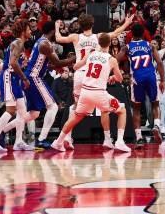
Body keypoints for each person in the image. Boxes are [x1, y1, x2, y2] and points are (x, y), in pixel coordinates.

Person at [55, 14, 133, 146]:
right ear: (92, 24)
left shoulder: (76, 37)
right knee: (104, 108)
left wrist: (57, 26)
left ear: (80, 25)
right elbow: (115, 33)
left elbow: (58, 39)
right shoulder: (99, 37)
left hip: (80, 73)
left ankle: (67, 137)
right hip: (94, 73)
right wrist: (126, 23)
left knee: (76, 107)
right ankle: (108, 139)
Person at [20, 22, 75, 150]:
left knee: (34, 113)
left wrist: (58, 66)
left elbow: (45, 63)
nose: (58, 34)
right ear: (52, 31)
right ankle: (41, 140)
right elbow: (58, 62)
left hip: (32, 77)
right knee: (53, 107)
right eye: (56, 32)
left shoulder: (41, 41)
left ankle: (1, 130)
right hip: (34, 78)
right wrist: (76, 58)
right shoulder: (45, 44)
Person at [0, 20, 33, 152]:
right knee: (11, 110)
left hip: (13, 78)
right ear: (23, 30)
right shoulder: (18, 42)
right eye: (29, 29)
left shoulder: (18, 43)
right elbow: (12, 63)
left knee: (22, 112)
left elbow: (11, 62)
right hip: (9, 77)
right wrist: (24, 78)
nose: (30, 31)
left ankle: (18, 142)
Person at [118, 23, 165, 148]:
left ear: (131, 34)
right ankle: (156, 125)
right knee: (155, 104)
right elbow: (160, 62)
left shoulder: (127, 47)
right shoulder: (150, 45)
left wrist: (116, 74)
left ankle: (139, 138)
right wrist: (162, 80)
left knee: (137, 108)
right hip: (151, 77)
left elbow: (115, 60)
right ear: (143, 33)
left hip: (137, 79)